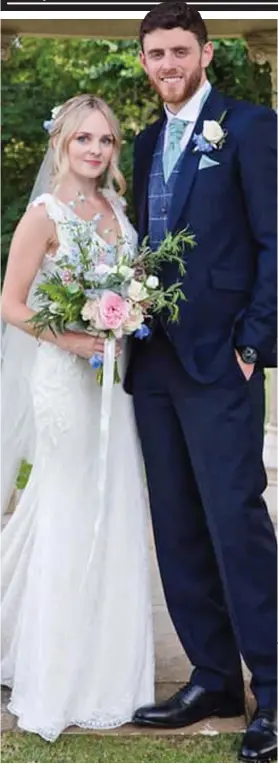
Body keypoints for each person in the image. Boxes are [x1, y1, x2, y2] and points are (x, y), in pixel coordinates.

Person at [126, 3, 277, 762]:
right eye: (156, 54)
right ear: (145, 60)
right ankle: (213, 678)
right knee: (178, 527)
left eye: (180, 51)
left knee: (236, 523)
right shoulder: (147, 140)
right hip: (150, 362)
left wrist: (254, 341)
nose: (168, 65)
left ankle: (274, 694)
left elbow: (274, 239)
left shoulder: (248, 128)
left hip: (222, 360)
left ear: (207, 54)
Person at [1, 94, 154, 741]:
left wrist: (129, 314)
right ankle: (56, 670)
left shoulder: (118, 210)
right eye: (84, 139)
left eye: (106, 141)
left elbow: (135, 282)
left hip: (113, 382)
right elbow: (11, 304)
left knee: (114, 505)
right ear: (61, 143)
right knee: (67, 507)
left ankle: (110, 666)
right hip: (65, 379)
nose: (96, 151)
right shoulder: (45, 215)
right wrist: (76, 339)